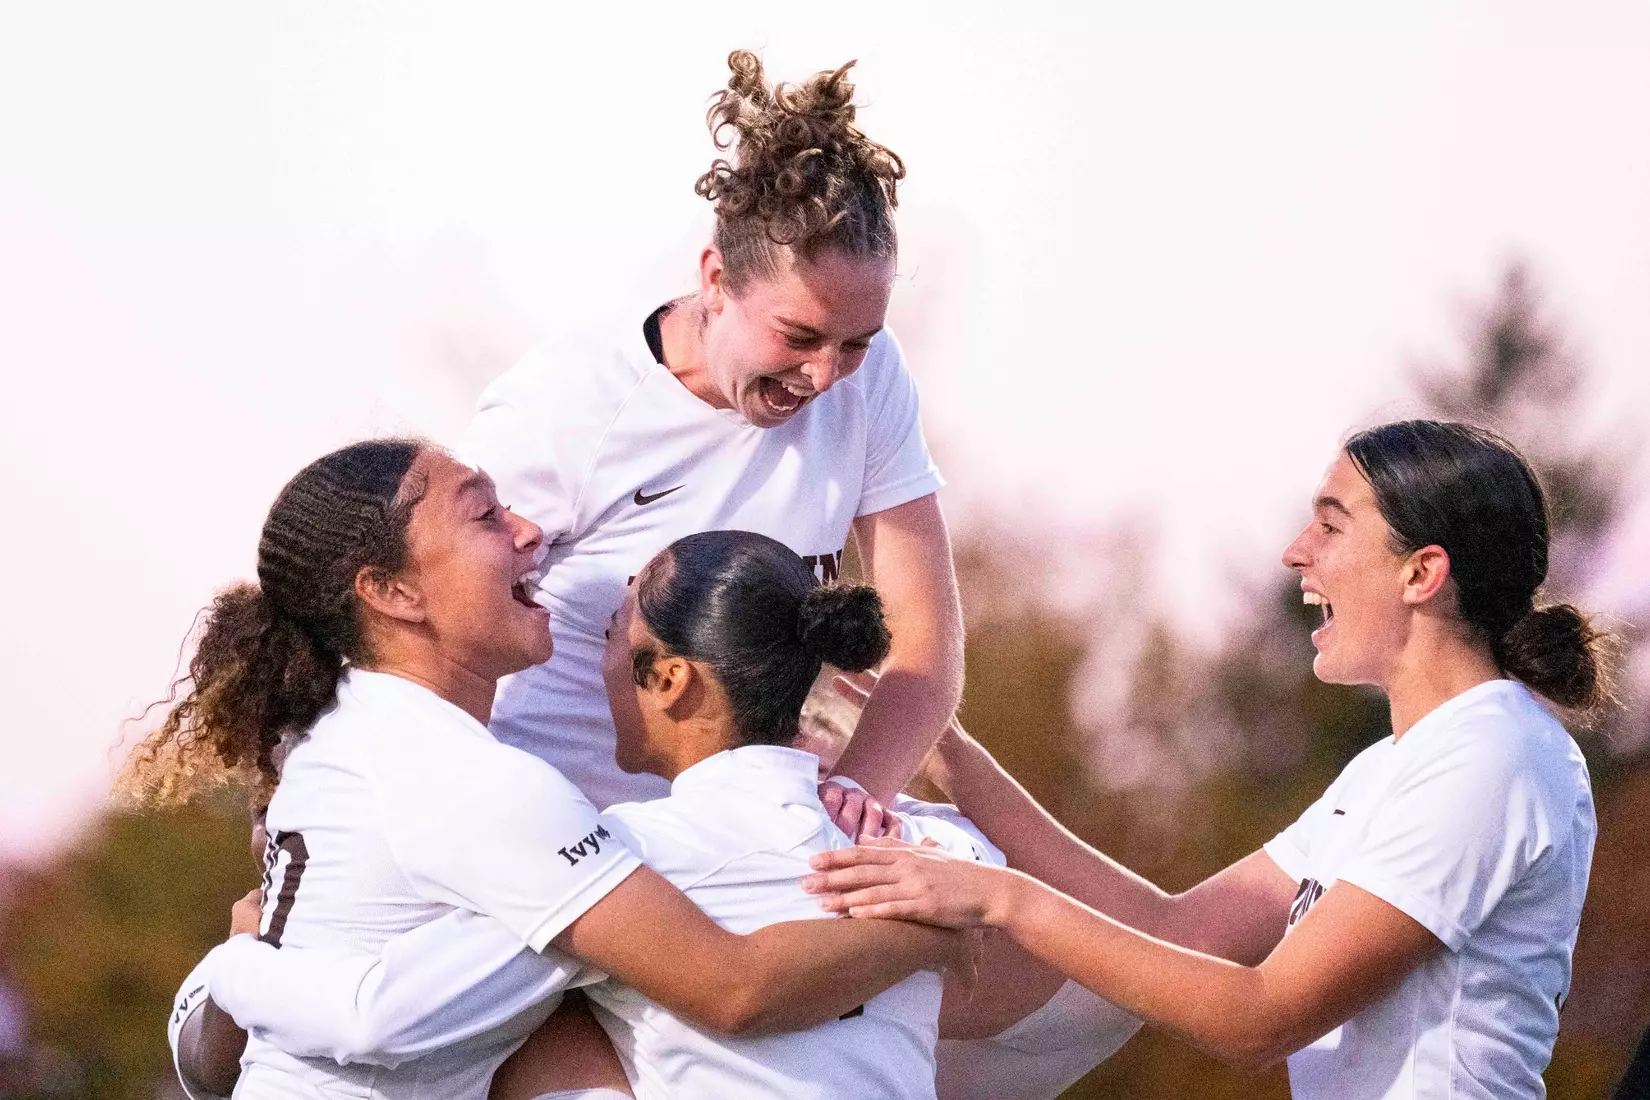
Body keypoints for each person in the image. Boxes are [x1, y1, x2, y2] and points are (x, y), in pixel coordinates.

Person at [125, 439, 967, 1100]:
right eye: (485, 516)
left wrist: (237, 963)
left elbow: (205, 1060)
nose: (531, 532)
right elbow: (734, 987)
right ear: (392, 591)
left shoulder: (333, 741)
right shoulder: (471, 783)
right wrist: (948, 922)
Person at [806, 420, 1617, 1100]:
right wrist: (949, 752)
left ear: (1422, 573)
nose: (1298, 553)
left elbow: (1260, 1016)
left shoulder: (1494, 759)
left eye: (1332, 526)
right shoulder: (1393, 767)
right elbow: (1179, 929)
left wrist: (998, 899)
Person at [165, 532, 1135, 1100]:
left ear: (668, 678)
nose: (588, 669)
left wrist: (256, 944)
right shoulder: (942, 852)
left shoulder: (631, 864)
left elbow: (383, 1020)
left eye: (607, 638)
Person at [460, 49, 964, 838]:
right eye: (798, 335)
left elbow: (925, 650)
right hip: (563, 844)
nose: (828, 374)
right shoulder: (567, 403)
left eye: (858, 341)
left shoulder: (874, 378)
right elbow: (422, 644)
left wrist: (854, 797)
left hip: (741, 844)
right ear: (716, 281)